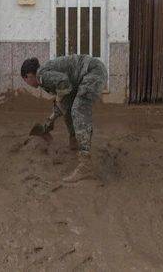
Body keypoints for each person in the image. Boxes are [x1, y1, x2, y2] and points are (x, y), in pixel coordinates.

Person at [20, 54, 107, 183]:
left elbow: (64, 82)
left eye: (25, 80)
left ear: (28, 76)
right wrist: (50, 121)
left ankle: (86, 165)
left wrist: (59, 98)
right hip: (88, 74)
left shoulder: (42, 76)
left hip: (93, 72)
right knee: (70, 107)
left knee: (78, 109)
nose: (27, 84)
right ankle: (75, 142)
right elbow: (65, 100)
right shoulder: (45, 74)